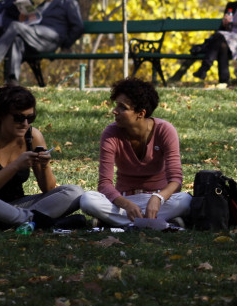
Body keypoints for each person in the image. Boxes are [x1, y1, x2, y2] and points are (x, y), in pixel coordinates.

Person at [0, 85, 84, 229]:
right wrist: (16, 165)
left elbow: (48, 188)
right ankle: (38, 221)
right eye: (18, 118)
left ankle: (10, 222)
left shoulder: (33, 136)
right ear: (1, 115)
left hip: (17, 205)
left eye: (30, 118)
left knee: (75, 192)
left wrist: (44, 165)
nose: (25, 124)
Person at [80, 78, 191, 228]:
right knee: (87, 200)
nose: (115, 111)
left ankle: (114, 222)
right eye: (116, 105)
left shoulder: (165, 130)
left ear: (141, 113)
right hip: (124, 200)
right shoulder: (111, 133)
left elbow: (176, 180)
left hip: (158, 201)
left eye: (122, 107)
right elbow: (104, 184)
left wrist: (158, 198)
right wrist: (126, 204)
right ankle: (160, 222)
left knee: (186, 200)